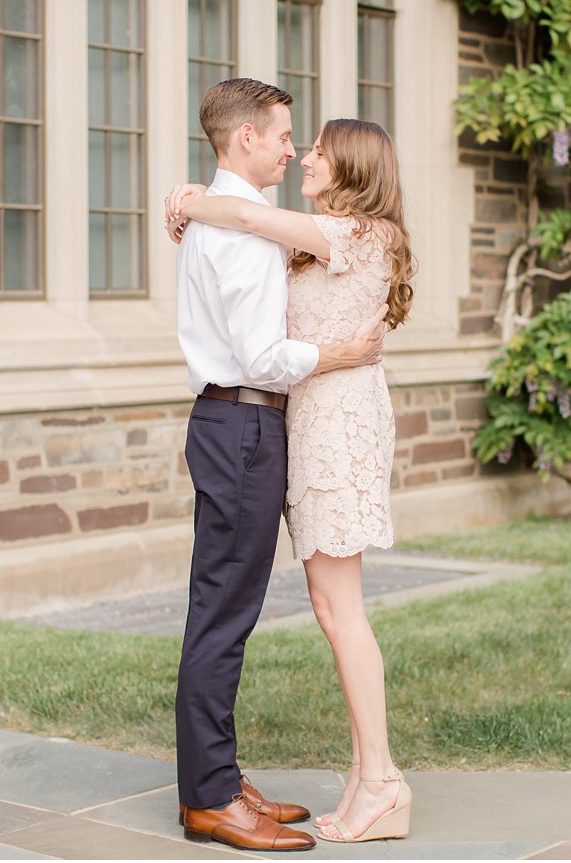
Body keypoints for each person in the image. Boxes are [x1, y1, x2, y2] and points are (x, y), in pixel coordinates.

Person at [166, 116, 417, 844]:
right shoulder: (315, 238)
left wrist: (188, 199)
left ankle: (380, 780)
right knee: (327, 603)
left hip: (336, 427)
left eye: (318, 150)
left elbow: (244, 211)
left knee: (340, 607)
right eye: (296, 142)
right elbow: (245, 250)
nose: (304, 154)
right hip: (300, 423)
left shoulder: (358, 233)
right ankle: (366, 775)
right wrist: (197, 218)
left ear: (353, 168)